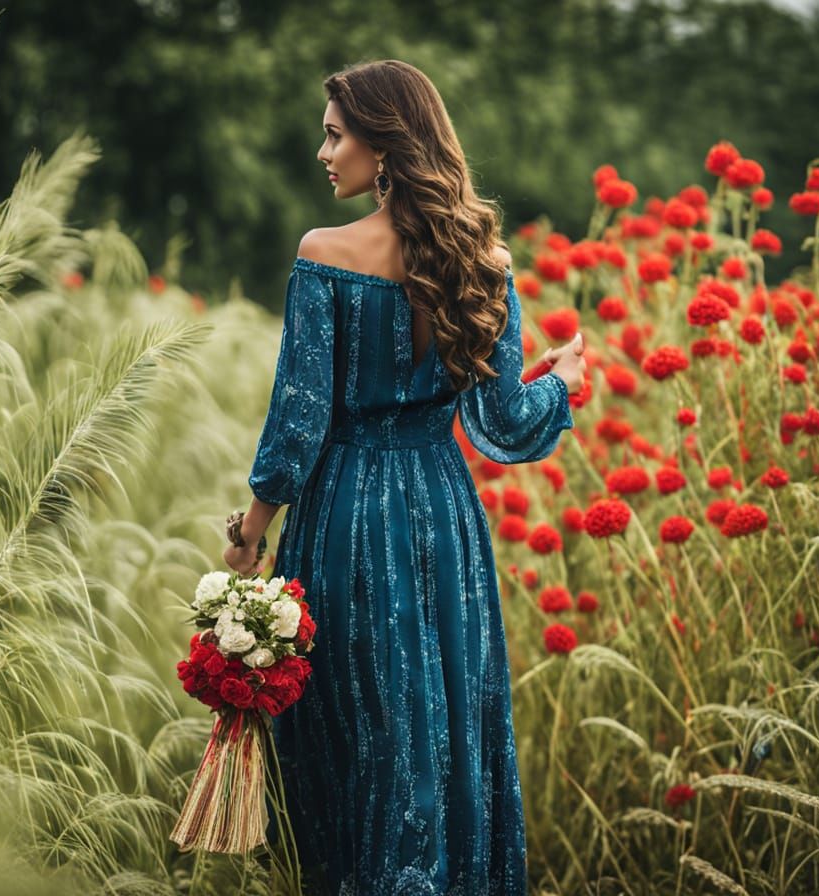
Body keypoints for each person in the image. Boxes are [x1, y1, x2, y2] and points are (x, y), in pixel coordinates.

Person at [222, 59, 586, 896]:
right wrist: (563, 381)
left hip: (346, 516)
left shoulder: (325, 256)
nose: (324, 152)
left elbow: (299, 424)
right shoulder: (482, 260)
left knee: (358, 731)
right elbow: (501, 425)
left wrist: (250, 533)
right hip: (441, 518)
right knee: (436, 723)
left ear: (384, 147)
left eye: (335, 134)